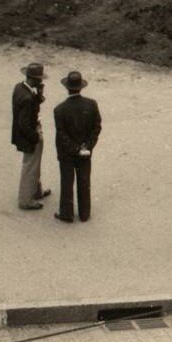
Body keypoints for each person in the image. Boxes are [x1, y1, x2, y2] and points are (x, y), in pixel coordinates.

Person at [51, 70, 101, 223]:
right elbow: (96, 127)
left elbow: (62, 134)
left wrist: (74, 148)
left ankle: (66, 214)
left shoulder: (59, 109)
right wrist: (87, 146)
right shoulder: (91, 104)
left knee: (67, 181)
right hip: (85, 152)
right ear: (81, 87)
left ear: (67, 88)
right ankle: (84, 214)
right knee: (84, 181)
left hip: (66, 153)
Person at [12, 63, 51, 210]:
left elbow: (31, 106)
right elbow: (24, 124)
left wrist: (39, 95)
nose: (41, 82)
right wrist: (35, 137)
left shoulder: (19, 88)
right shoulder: (28, 98)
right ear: (34, 79)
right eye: (39, 79)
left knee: (34, 165)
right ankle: (25, 200)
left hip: (24, 134)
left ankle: (36, 191)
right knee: (30, 166)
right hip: (29, 135)